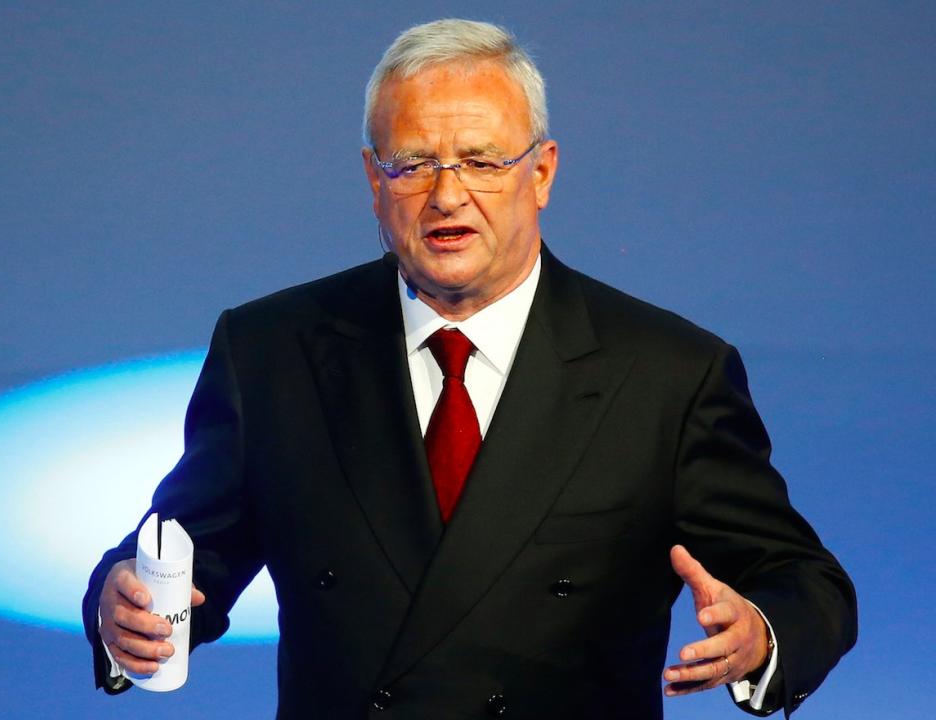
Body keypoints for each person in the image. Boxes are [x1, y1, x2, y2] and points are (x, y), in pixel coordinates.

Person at [83, 18, 856, 719]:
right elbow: (180, 551)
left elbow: (804, 581)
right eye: (413, 164)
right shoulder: (272, 351)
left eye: (482, 161)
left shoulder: (666, 374)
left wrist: (760, 634)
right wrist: (125, 607)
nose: (447, 195)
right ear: (373, 180)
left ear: (543, 172)